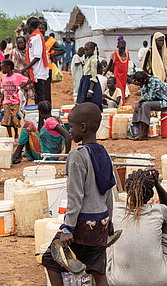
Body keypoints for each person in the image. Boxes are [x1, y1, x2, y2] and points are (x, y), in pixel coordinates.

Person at [42, 103, 115, 286]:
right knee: (98, 270)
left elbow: (75, 196)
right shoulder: (104, 153)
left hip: (83, 223)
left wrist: (68, 228)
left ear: (82, 127)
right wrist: (110, 221)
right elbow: (108, 192)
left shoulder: (77, 155)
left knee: (50, 260)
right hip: (101, 223)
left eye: (71, 126)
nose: (69, 130)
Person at [107, 169, 167, 286]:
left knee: (109, 236)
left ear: (127, 192)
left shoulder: (114, 211)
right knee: (166, 222)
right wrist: (156, 183)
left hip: (118, 281)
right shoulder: (158, 211)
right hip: (160, 280)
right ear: (150, 193)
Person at [21, 17, 49, 128]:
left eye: (27, 26)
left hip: (39, 73)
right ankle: (41, 123)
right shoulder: (33, 37)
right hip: (36, 72)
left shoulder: (37, 37)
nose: (26, 28)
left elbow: (37, 57)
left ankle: (43, 123)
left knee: (41, 99)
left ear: (30, 26)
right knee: (38, 98)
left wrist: (25, 68)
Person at [132, 71, 167, 140]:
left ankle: (144, 133)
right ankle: (140, 131)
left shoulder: (154, 81)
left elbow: (149, 97)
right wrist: (141, 87)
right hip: (159, 101)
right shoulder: (145, 83)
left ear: (143, 80)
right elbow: (144, 97)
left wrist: (140, 101)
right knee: (139, 104)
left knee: (145, 105)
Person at [0, 60, 30, 139]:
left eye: (3, 68)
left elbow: (28, 80)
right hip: (6, 101)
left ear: (8, 67)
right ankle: (10, 136)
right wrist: (1, 101)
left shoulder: (17, 76)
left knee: (14, 119)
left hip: (15, 102)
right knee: (7, 120)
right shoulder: (3, 77)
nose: (2, 70)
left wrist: (19, 87)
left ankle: (16, 134)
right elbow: (3, 90)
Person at [77, 42, 103, 111]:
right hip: (85, 82)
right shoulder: (87, 59)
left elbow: (93, 76)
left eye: (87, 50)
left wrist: (90, 90)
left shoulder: (93, 60)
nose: (85, 52)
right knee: (83, 103)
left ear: (93, 50)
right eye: (85, 50)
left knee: (91, 103)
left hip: (90, 84)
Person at [105, 36, 130, 105]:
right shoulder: (114, 54)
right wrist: (104, 74)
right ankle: (119, 105)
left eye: (124, 47)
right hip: (117, 76)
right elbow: (109, 65)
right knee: (120, 90)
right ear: (117, 47)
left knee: (123, 90)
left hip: (124, 76)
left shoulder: (127, 53)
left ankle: (122, 105)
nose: (123, 49)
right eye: (121, 48)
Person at [10, 36, 33, 102]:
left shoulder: (29, 52)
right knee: (19, 95)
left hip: (27, 76)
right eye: (18, 43)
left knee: (26, 97)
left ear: (25, 42)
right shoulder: (14, 52)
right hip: (16, 77)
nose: (20, 44)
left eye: (21, 42)